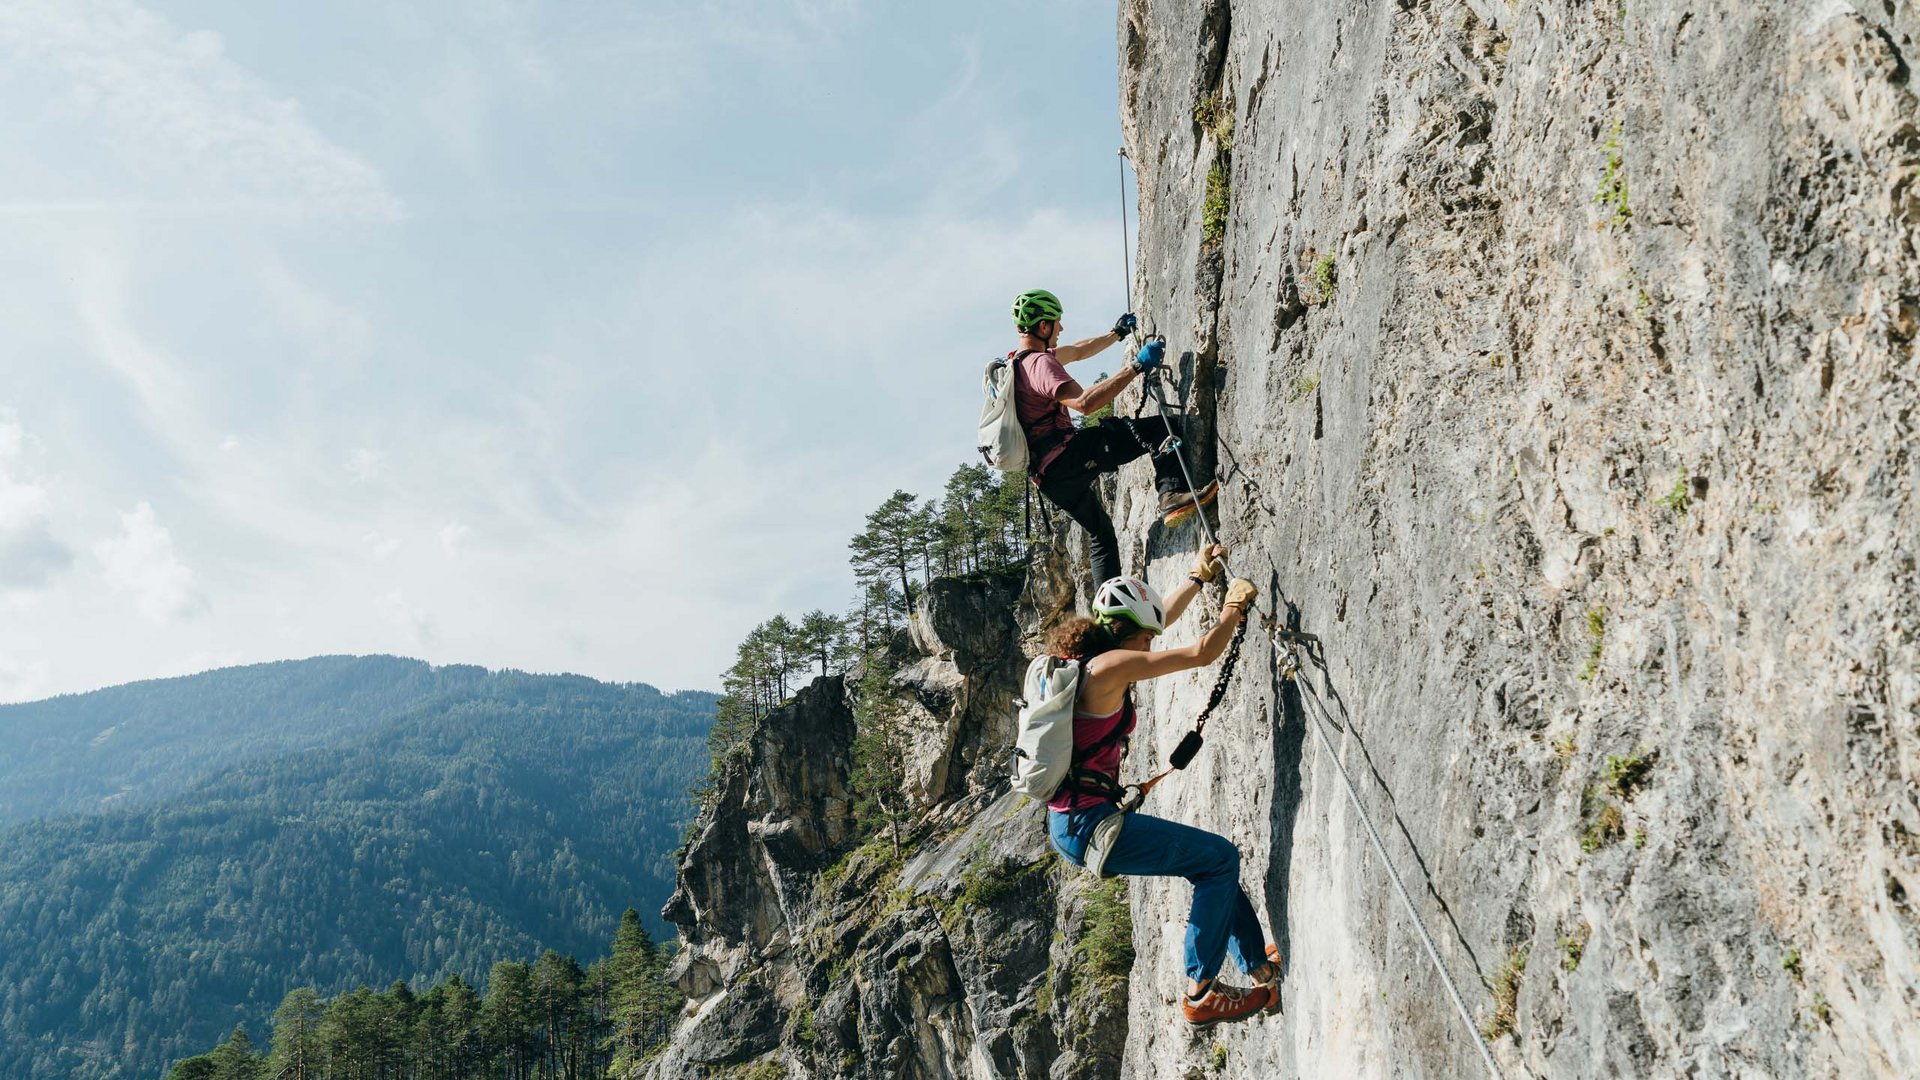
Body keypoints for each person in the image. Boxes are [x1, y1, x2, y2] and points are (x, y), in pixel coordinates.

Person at [1045, 546, 1280, 1027]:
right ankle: (1200, 992)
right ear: (1125, 634)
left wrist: (1197, 577)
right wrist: (1234, 607)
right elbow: (1201, 653)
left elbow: (1157, 621)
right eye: (1146, 638)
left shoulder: (1087, 657)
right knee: (1218, 860)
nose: (1151, 645)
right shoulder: (1109, 668)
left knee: (1210, 862)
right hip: (1088, 822)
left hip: (1074, 818)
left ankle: (1259, 969)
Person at [1008, 288, 1219, 590]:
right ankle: (1171, 494)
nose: (1061, 328)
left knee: (1102, 535)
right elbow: (1084, 403)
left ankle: (1109, 609)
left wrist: (1115, 334)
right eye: (1057, 322)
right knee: (1161, 428)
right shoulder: (1040, 365)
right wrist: (1136, 367)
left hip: (1048, 479)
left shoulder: (1020, 363)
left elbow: (1077, 351)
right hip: (1067, 458)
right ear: (1043, 326)